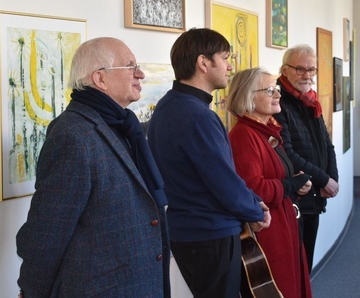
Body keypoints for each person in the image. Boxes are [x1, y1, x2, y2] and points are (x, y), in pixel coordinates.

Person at [16, 37, 170, 298]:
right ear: (100, 78)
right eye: (130, 66)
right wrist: (32, 292)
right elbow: (47, 232)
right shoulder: (72, 134)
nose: (140, 74)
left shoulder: (125, 126)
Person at [147, 28, 271, 298]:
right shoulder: (196, 114)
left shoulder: (168, 106)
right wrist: (256, 210)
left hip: (187, 232)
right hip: (209, 234)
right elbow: (223, 181)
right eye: (225, 58)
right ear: (203, 63)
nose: (229, 66)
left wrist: (250, 202)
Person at [227, 67, 313, 298]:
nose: (277, 94)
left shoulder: (266, 131)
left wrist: (296, 184)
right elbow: (254, 189)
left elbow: (277, 177)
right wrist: (291, 185)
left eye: (276, 88)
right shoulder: (244, 136)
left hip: (283, 222)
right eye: (269, 90)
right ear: (247, 97)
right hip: (268, 230)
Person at [273, 44, 339, 273]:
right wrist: (323, 181)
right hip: (297, 198)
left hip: (315, 195)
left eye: (312, 70)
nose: (307, 75)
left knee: (306, 264)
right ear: (284, 69)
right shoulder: (277, 101)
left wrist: (332, 180)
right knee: (295, 268)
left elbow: (326, 143)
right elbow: (287, 153)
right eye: (300, 69)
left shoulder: (310, 100)